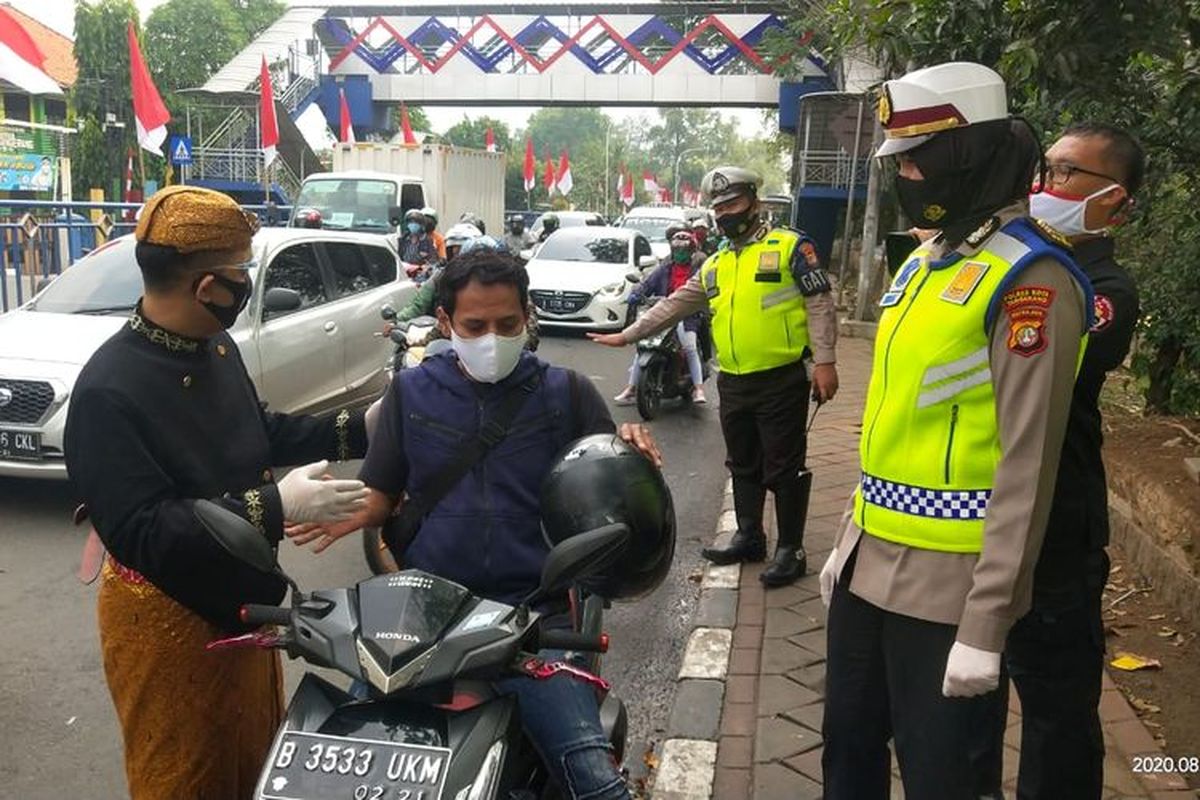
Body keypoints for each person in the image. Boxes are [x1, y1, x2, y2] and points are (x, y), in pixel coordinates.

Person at [291, 249, 664, 800]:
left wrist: (630, 451)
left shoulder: (568, 394)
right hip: (427, 620)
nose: (493, 337)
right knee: (336, 765)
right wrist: (320, 509)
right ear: (445, 323)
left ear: (527, 315)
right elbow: (381, 496)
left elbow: (607, 487)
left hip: (534, 621)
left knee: (594, 784)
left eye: (507, 324)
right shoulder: (411, 393)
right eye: (475, 325)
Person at [817, 62, 1093, 799]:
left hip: (950, 591)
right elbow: (893, 417)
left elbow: (1029, 468)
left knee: (946, 779)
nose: (905, 175)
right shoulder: (925, 264)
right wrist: (849, 537)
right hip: (866, 569)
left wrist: (989, 619)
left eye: (916, 159)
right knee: (847, 760)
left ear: (967, 155)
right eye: (898, 161)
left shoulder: (1031, 280)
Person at [62, 186, 371, 800]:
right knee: (186, 776)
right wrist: (278, 508)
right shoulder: (107, 391)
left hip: (240, 592)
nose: (247, 283)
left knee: (253, 761)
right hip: (169, 618)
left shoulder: (215, 344)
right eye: (242, 272)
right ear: (208, 288)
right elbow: (145, 531)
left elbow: (259, 430)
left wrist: (362, 425)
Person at [970, 122, 1143, 800]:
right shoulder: (1007, 261)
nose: (1046, 183)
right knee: (971, 698)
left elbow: (1030, 356)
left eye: (1068, 173)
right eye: (1045, 166)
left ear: (1114, 202)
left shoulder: (1105, 290)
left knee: (1057, 714)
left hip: (1058, 528)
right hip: (982, 515)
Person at [592, 165, 839, 588]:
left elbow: (819, 301)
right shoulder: (716, 264)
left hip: (781, 378)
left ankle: (790, 549)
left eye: (734, 203)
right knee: (742, 461)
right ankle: (749, 536)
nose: (726, 213)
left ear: (754, 203)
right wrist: (628, 334)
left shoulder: (791, 247)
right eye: (718, 207)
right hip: (735, 380)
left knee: (784, 465)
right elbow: (673, 305)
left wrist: (825, 360)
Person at [613, 229, 709, 405]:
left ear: (691, 252)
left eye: (684, 251)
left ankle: (698, 388)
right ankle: (631, 388)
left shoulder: (698, 271)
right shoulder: (664, 269)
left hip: (686, 317)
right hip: (661, 314)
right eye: (677, 250)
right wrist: (635, 295)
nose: (680, 254)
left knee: (689, 347)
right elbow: (646, 284)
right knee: (642, 345)